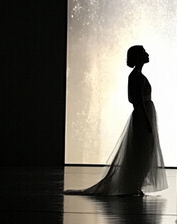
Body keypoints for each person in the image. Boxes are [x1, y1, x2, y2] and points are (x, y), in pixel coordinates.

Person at [65, 45, 167, 196]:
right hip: (142, 115)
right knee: (142, 150)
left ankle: (136, 185)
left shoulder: (137, 76)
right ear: (139, 57)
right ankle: (134, 185)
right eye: (144, 52)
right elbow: (135, 100)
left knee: (145, 151)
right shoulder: (135, 77)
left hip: (145, 114)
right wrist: (146, 120)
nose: (147, 54)